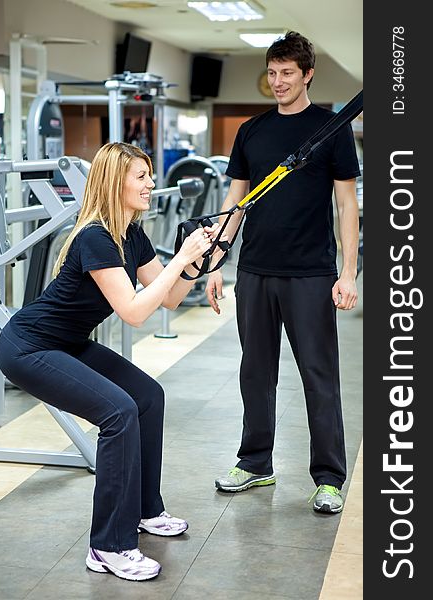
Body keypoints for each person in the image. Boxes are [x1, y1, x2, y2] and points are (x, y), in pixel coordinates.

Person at [0, 142, 223, 581]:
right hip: (29, 347)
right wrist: (181, 257)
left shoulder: (131, 234)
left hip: (68, 342)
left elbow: (170, 299)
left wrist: (198, 261)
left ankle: (144, 510)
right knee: (118, 412)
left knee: (148, 397)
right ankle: (108, 546)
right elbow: (134, 313)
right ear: (114, 182)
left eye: (149, 175)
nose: (151, 184)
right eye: (141, 176)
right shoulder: (95, 237)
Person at [207, 31, 360, 514]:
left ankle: (329, 477)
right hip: (254, 269)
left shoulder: (330, 129)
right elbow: (236, 200)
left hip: (311, 273)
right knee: (255, 370)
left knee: (319, 374)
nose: (277, 82)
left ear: (307, 74)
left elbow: (346, 204)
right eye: (272, 74)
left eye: (287, 73)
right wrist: (216, 260)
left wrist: (349, 271)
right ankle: (254, 463)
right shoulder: (252, 131)